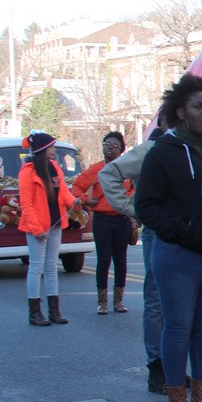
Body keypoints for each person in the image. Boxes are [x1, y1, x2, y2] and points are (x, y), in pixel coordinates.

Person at [135, 75, 202, 402]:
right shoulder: (162, 153)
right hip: (175, 255)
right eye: (198, 106)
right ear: (180, 111)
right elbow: (146, 207)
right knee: (178, 327)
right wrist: (182, 231)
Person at [99, 111, 169, 393]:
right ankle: (157, 366)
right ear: (165, 122)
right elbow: (110, 173)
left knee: (178, 304)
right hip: (158, 232)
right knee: (156, 300)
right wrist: (134, 209)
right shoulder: (150, 149)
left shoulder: (192, 149)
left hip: (183, 234)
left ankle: (174, 367)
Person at [18, 130, 80, 326]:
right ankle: (35, 313)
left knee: (51, 267)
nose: (54, 149)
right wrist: (37, 229)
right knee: (36, 267)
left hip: (55, 224)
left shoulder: (54, 167)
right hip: (37, 227)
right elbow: (26, 204)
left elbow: (63, 193)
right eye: (52, 147)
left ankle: (54, 311)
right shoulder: (27, 172)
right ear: (43, 149)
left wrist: (74, 202)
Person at [74, 131, 133, 315]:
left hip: (122, 219)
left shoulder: (128, 169)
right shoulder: (96, 169)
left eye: (114, 145)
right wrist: (85, 199)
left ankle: (118, 301)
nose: (109, 147)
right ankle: (102, 302)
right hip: (102, 219)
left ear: (121, 150)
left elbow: (135, 190)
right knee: (104, 260)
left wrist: (132, 208)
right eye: (106, 144)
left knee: (121, 260)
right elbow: (76, 186)